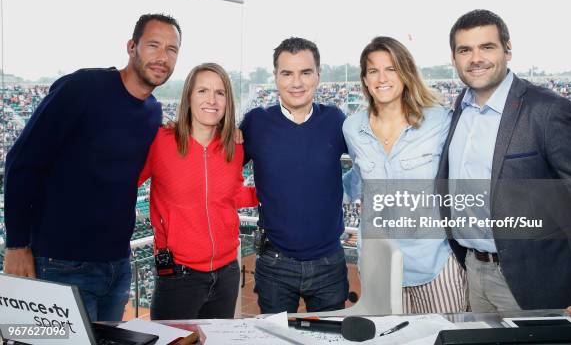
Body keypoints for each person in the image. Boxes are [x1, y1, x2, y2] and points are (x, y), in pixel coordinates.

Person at [3, 13, 181, 321]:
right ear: (132, 46)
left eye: (171, 49)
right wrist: (16, 244)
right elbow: (21, 161)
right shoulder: (83, 87)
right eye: (153, 45)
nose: (162, 57)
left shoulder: (153, 112)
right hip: (60, 263)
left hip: (117, 266)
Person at [437, 9, 571, 314]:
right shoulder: (460, 108)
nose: (476, 58)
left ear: (507, 50)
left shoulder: (546, 109)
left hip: (533, 277)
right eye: (465, 49)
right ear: (454, 58)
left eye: (487, 47)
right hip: (474, 269)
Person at [343, 36, 467, 313]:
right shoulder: (352, 127)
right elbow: (357, 179)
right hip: (379, 265)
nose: (382, 78)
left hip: (434, 264)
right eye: (373, 70)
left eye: (391, 68)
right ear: (364, 79)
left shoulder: (439, 120)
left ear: (406, 72)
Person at [138, 63, 257, 320]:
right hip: (179, 275)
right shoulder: (160, 141)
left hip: (227, 272)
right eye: (202, 91)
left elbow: (229, 195)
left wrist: (265, 194)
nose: (211, 100)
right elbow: (123, 184)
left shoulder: (234, 146)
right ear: (189, 97)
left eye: (220, 92)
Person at [240, 37, 349, 313]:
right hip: (275, 263)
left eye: (305, 72)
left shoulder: (336, 120)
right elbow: (220, 168)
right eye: (287, 73)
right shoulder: (255, 122)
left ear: (318, 76)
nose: (296, 82)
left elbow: (372, 161)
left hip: (329, 263)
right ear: (275, 76)